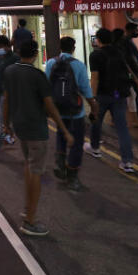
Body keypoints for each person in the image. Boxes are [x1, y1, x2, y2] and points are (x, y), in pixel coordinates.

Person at [1, 40, 74, 237]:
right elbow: (50, 106)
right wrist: (64, 130)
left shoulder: (9, 71)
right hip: (36, 129)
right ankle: (30, 220)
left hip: (20, 126)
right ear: (34, 54)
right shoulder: (37, 76)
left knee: (28, 166)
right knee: (36, 172)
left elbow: (6, 99)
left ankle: (27, 209)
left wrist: (6, 124)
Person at [45, 37, 98, 191]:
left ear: (60, 47)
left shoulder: (50, 63)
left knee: (61, 134)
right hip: (75, 111)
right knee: (76, 143)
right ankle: (72, 176)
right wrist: (94, 107)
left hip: (57, 109)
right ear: (73, 48)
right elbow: (86, 91)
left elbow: (47, 85)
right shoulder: (79, 66)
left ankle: (60, 163)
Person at [85, 28, 136, 171]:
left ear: (98, 40)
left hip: (102, 94)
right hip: (119, 94)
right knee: (122, 128)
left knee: (96, 120)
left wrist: (92, 98)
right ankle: (127, 161)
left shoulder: (95, 55)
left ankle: (95, 148)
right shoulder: (119, 52)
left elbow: (95, 77)